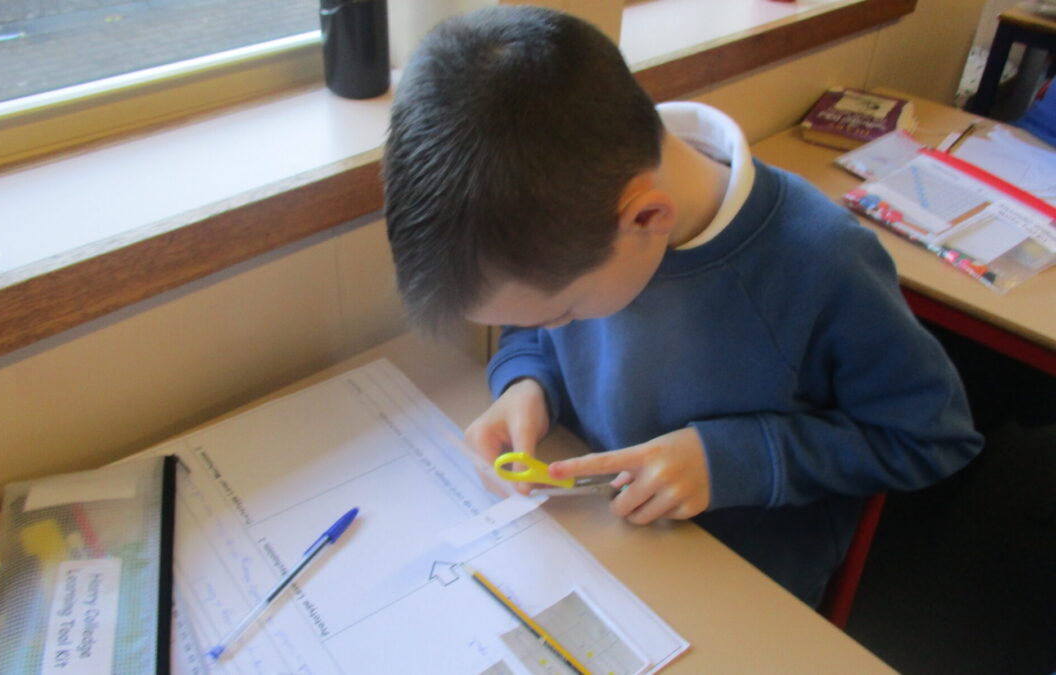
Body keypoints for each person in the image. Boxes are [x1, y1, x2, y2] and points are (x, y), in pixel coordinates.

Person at [382, 6, 984, 606]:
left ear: (648, 219)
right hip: (603, 544)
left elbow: (934, 436)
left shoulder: (823, 263)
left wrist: (733, 460)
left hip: (740, 583)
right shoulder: (577, 215)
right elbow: (531, 329)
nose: (550, 327)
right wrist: (526, 382)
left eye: (560, 314)